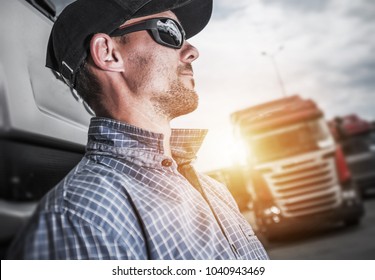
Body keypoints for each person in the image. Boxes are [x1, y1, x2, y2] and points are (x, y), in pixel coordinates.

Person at [7, 0, 269, 260]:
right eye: (170, 32)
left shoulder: (214, 191)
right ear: (108, 54)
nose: (192, 51)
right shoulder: (80, 221)